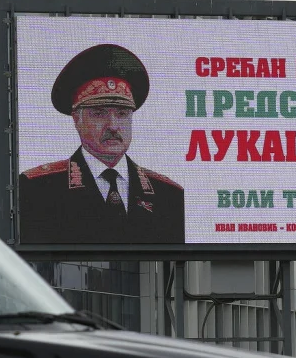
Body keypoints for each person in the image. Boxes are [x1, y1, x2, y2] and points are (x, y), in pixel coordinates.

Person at [18, 43, 184, 245]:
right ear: (76, 120)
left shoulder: (168, 195)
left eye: (122, 114)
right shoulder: (39, 189)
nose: (113, 126)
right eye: (99, 113)